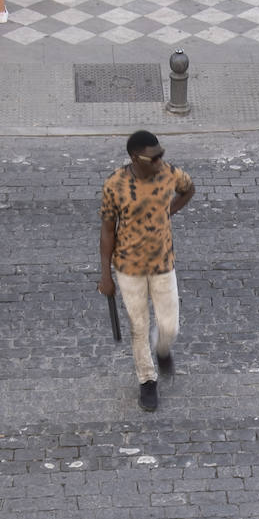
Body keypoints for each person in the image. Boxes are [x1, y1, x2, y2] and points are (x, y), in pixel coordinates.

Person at [98, 131, 195, 413]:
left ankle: (163, 350)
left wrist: (167, 212)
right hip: (129, 268)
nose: (160, 161)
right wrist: (106, 276)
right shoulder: (115, 185)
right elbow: (107, 231)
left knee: (169, 326)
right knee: (139, 327)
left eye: (161, 155)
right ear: (134, 158)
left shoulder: (169, 174)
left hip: (163, 263)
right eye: (153, 158)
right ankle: (147, 380)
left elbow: (189, 189)